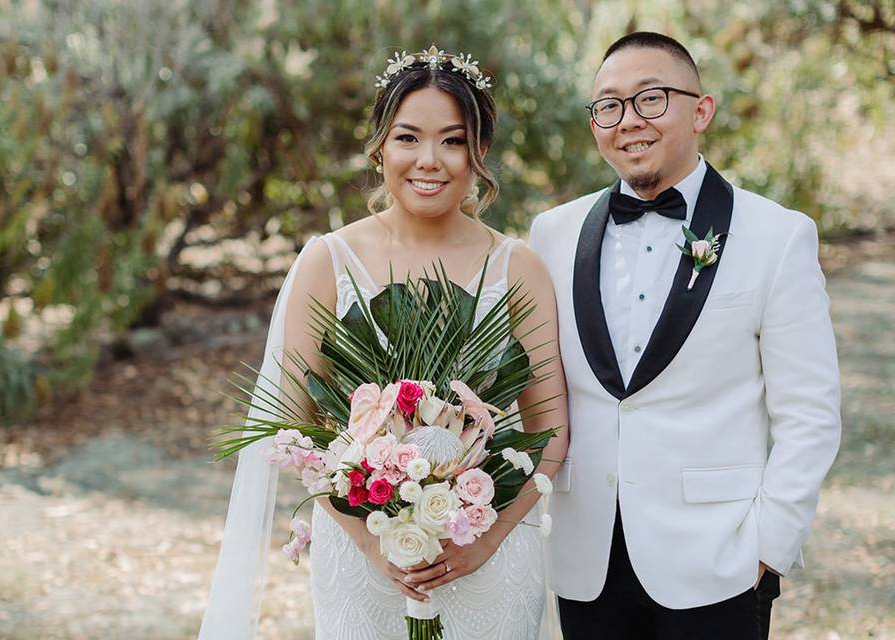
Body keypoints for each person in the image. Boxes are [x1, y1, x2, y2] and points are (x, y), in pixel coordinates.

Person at [199, 47, 569, 640]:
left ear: (479, 154)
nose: (429, 160)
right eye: (408, 138)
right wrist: (373, 545)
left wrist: (488, 541)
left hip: (489, 557)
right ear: (379, 149)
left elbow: (552, 433)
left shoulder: (518, 268)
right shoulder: (328, 262)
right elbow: (295, 429)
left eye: (452, 141)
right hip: (362, 556)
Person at [529, 32, 841, 640]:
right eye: (608, 105)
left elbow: (810, 412)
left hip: (720, 561)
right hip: (587, 556)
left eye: (650, 99)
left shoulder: (778, 236)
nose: (628, 121)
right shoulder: (552, 233)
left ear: (701, 111)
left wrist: (768, 546)